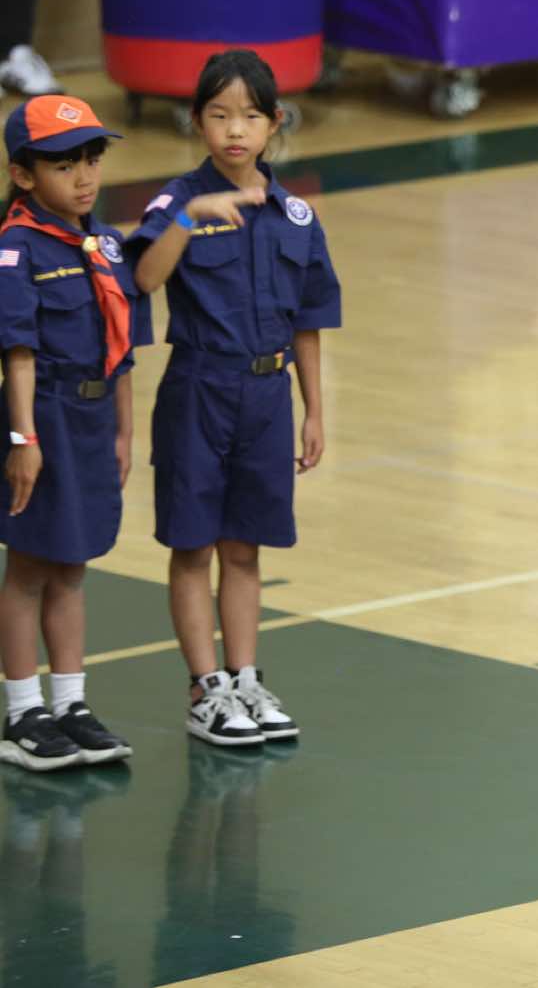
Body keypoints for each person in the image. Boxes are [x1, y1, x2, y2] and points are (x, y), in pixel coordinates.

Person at [129, 51, 342, 747]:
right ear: (198, 121)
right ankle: (206, 689)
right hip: (200, 387)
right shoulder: (178, 201)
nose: (235, 130)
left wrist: (314, 409)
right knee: (194, 544)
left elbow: (309, 318)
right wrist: (191, 219)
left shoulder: (296, 216)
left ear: (275, 122)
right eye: (219, 115)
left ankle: (245, 678)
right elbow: (144, 278)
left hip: (268, 393)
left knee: (245, 546)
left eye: (250, 115)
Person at [0, 97, 146, 772]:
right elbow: (18, 353)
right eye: (64, 165)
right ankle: (22, 710)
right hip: (44, 416)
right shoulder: (16, 249)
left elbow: (123, 349)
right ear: (23, 175)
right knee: (30, 566)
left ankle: (71, 703)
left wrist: (124, 431)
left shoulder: (105, 243)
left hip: (92, 420)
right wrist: (23, 441)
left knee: (72, 564)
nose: (84, 176)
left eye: (91, 159)